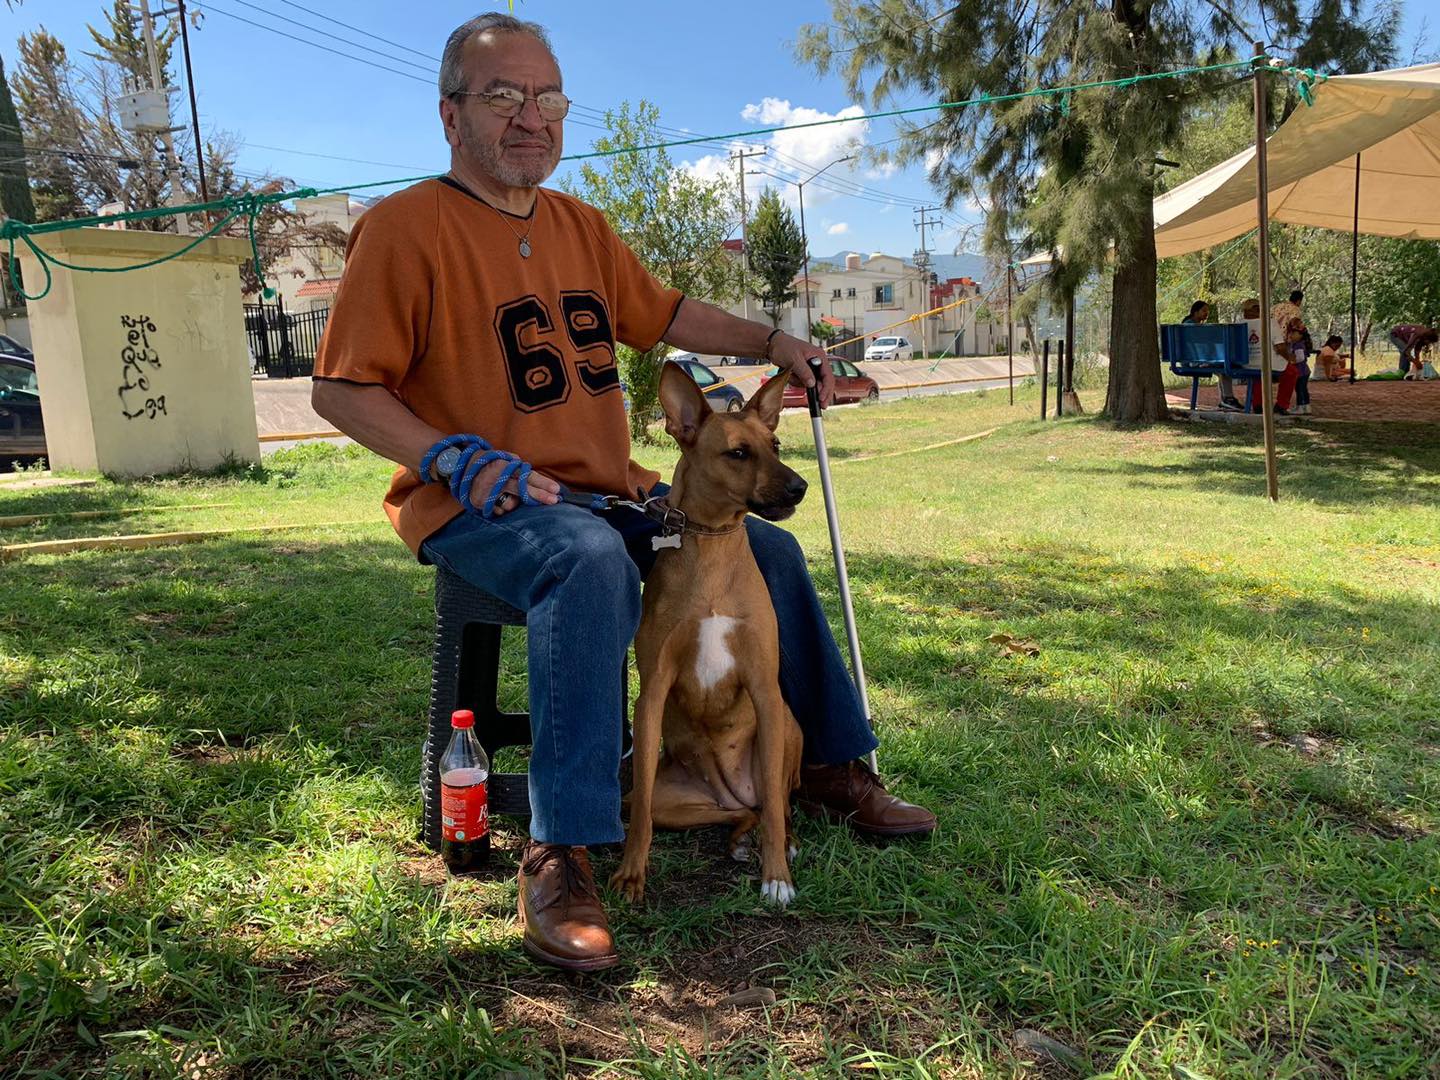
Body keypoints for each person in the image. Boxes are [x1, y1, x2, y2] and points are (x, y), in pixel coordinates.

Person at [311, 12, 936, 973]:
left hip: (612, 492)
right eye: (504, 96)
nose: (532, 118)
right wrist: (453, 460)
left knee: (767, 549)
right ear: (450, 113)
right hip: (486, 508)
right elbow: (340, 388)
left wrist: (772, 340)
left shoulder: (582, 228)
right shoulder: (403, 230)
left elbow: (669, 314)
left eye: (548, 97)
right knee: (591, 560)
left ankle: (822, 766)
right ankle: (565, 848)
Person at [1182, 299, 1241, 411]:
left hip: (1191, 360)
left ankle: (1226, 399)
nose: (1206, 313)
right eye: (1204, 311)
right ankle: (1228, 399)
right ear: (1195, 312)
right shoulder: (1192, 326)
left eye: (1207, 311)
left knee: (1222, 368)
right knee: (1224, 366)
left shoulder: (1188, 324)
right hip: (1194, 362)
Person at [1274, 317, 1309, 415]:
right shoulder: (1294, 344)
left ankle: (1301, 406)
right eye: (1290, 333)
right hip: (1302, 371)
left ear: (1301, 335)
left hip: (1301, 371)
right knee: (1302, 389)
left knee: (1300, 389)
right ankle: (1305, 406)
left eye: (1293, 333)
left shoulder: (1298, 345)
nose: (1291, 335)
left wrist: (1292, 361)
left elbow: (1300, 357)